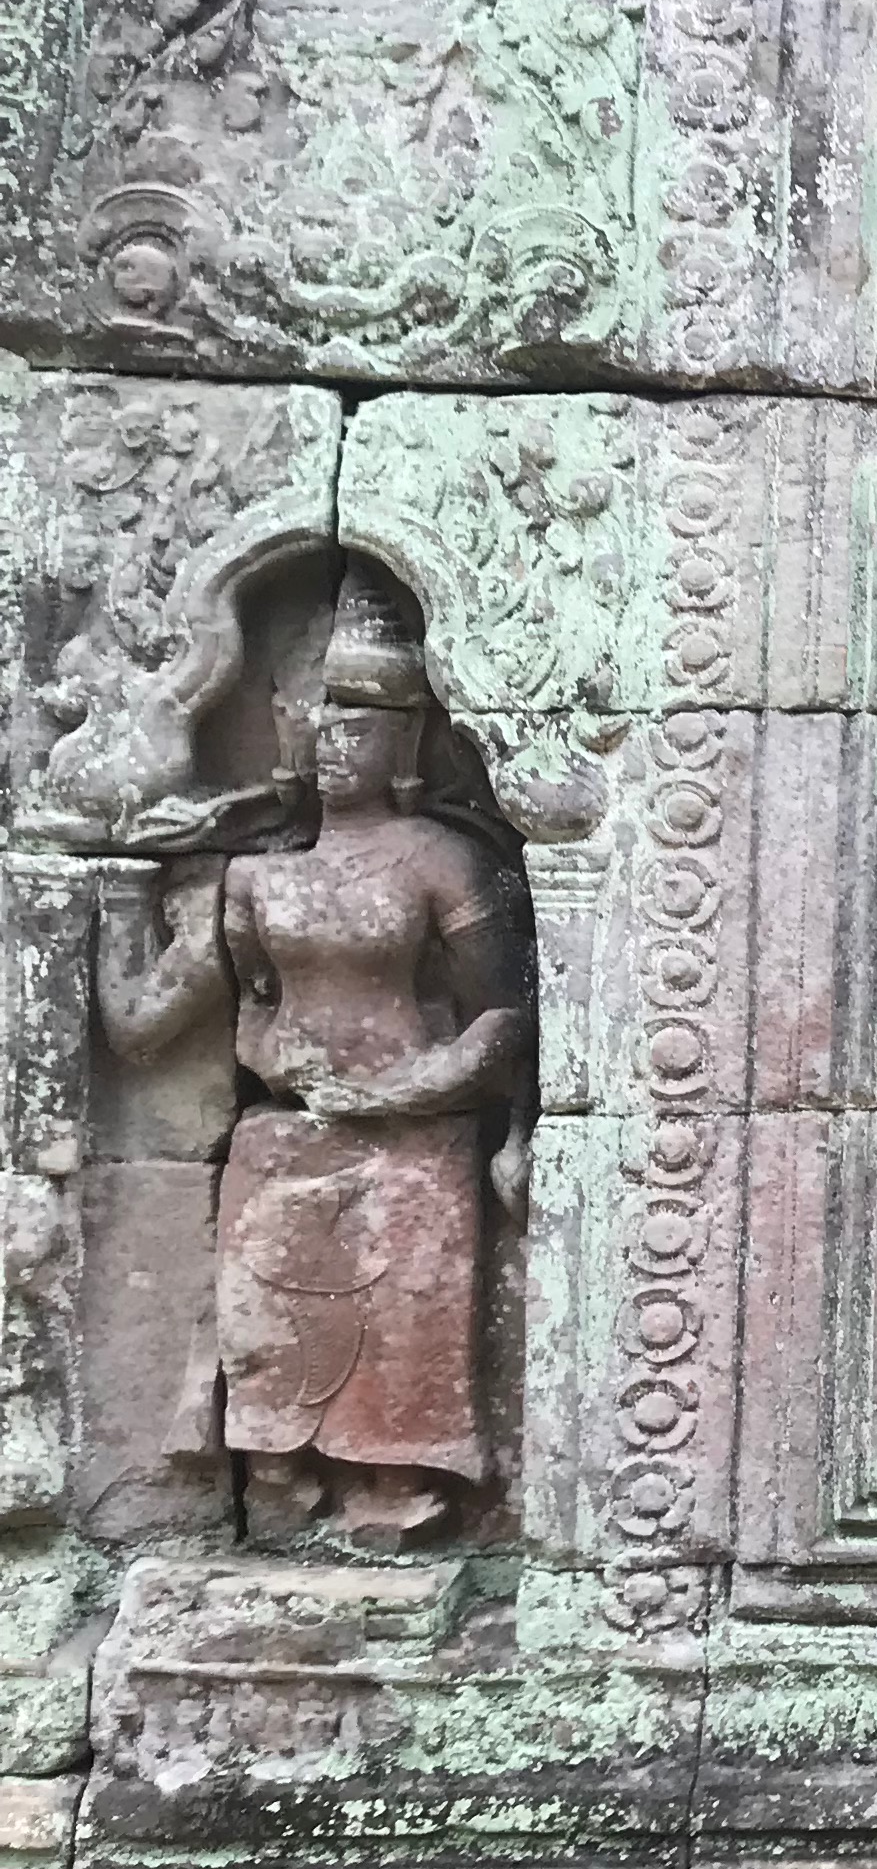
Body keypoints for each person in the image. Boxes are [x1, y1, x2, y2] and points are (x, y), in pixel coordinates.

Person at [99, 569, 530, 1548]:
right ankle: (278, 1477)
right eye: (316, 718)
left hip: (414, 1143)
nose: (333, 741)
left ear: (406, 741)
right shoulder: (256, 878)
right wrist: (122, 883)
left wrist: (411, 1085)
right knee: (274, 1338)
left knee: (402, 1331)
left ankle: (395, 1486)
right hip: (287, 1141)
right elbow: (137, 1024)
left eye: (359, 724)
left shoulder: (442, 861)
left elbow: (506, 1017)